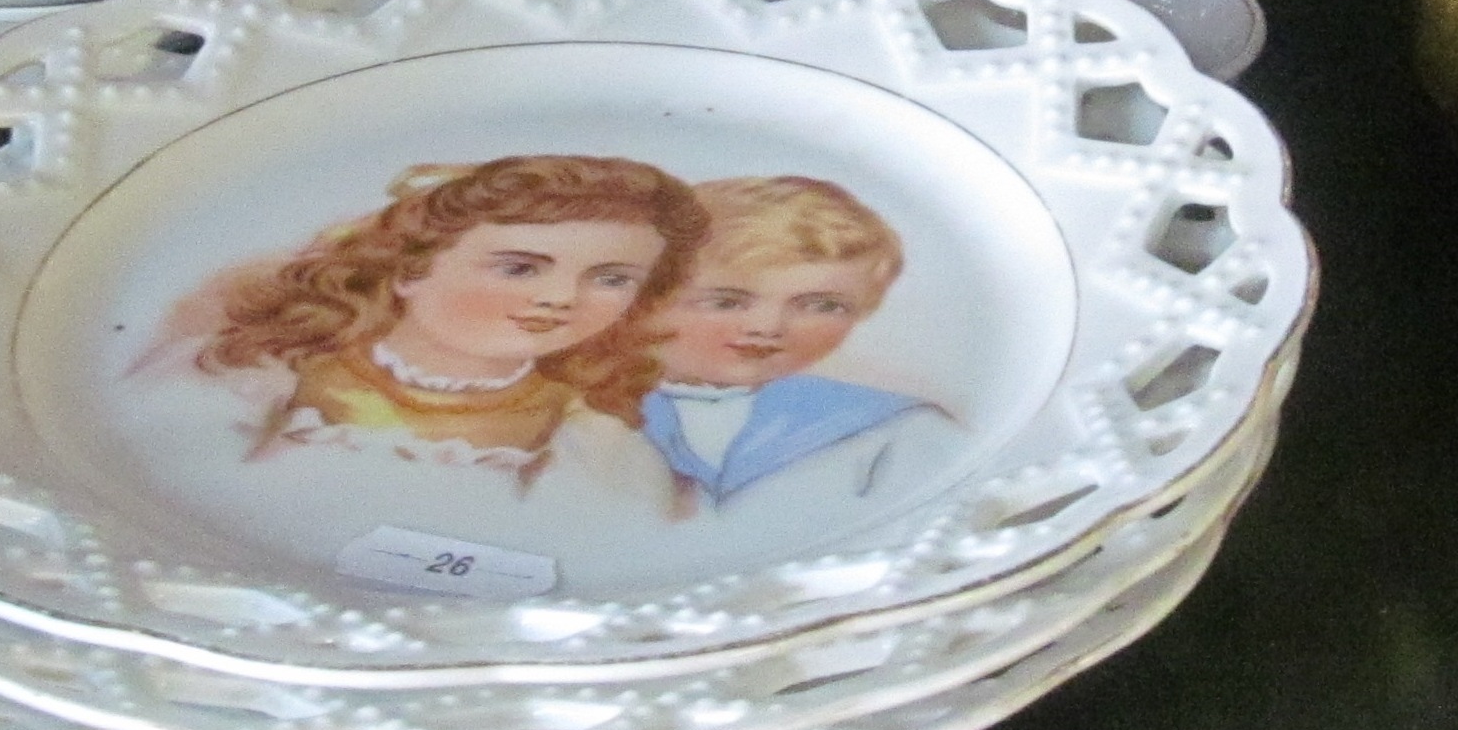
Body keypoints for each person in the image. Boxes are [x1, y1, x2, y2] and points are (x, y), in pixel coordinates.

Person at [186, 154, 706, 500]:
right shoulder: (269, 381)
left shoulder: (591, 440)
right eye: (520, 268)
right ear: (411, 269)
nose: (561, 298)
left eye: (610, 278)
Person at [638, 175, 962, 516]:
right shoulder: (594, 418)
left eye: (822, 306)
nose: (767, 328)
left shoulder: (896, 430)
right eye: (727, 302)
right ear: (649, 300)